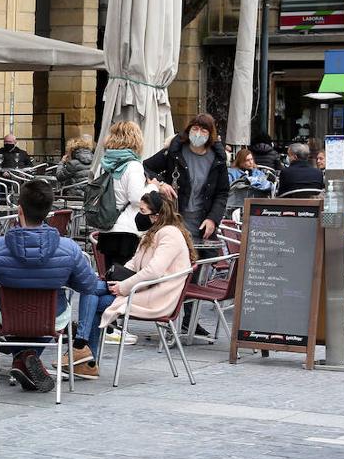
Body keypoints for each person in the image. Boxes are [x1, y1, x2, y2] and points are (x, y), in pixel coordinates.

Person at [0, 180, 99, 393]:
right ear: (48, 212)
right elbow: (89, 285)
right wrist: (65, 277)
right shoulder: (69, 248)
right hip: (52, 318)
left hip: (8, 317)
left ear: (19, 210)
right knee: (56, 307)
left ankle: (23, 357)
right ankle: (28, 356)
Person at [75, 191, 196, 378]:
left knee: (92, 294)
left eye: (142, 211)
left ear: (156, 215)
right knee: (90, 290)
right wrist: (118, 276)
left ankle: (82, 353)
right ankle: (83, 356)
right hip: (144, 289)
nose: (139, 215)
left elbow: (153, 271)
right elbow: (135, 263)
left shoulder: (169, 234)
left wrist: (123, 287)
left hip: (157, 296)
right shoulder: (154, 232)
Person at [144, 113, 229, 243]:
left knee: (200, 259)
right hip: (172, 217)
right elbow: (146, 167)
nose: (198, 133)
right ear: (188, 130)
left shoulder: (217, 159)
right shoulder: (174, 151)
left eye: (203, 130)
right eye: (195, 129)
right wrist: (160, 184)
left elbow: (222, 192)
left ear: (210, 134)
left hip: (202, 221)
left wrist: (213, 219)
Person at [95, 121, 153, 271]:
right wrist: (153, 187)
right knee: (123, 278)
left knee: (111, 275)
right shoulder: (133, 166)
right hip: (126, 230)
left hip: (107, 227)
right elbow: (136, 199)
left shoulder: (104, 163)